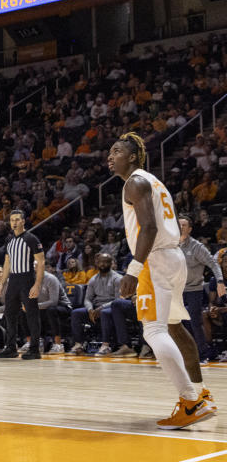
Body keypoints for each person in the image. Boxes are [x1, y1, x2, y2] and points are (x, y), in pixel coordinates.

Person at [109, 132, 216, 428]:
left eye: (116, 151)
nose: (110, 157)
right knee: (174, 328)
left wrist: (133, 269)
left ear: (132, 157)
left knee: (153, 332)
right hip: (173, 258)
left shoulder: (136, 182)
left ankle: (190, 402)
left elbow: (149, 227)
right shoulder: (154, 182)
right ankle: (203, 394)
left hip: (155, 260)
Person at [0, 210, 45, 360]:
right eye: (12, 220)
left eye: (17, 219)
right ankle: (11, 348)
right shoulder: (9, 240)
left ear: (23, 221)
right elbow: (7, 263)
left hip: (27, 279)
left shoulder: (31, 239)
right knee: (10, 315)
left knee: (31, 314)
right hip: (13, 281)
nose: (14, 222)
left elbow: (41, 263)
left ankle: (34, 349)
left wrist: (37, 285)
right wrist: (2, 284)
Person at [178, 214, 225, 362]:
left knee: (195, 322)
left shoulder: (197, 247)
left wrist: (219, 281)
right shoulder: (170, 245)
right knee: (172, 322)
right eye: (178, 225)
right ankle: (178, 353)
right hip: (175, 290)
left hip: (193, 289)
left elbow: (213, 264)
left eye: (183, 225)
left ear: (190, 229)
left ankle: (203, 354)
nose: (180, 227)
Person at [68, 253, 122, 355]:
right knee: (76, 313)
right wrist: (90, 309)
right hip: (96, 308)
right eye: (101, 262)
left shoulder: (117, 278)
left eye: (106, 262)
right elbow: (87, 299)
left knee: (105, 313)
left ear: (111, 264)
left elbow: (118, 300)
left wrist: (101, 308)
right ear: (97, 263)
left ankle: (106, 346)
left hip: (112, 308)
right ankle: (79, 344)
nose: (103, 264)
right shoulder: (93, 279)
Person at [37, 265, 71, 353]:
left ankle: (58, 344)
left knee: (51, 310)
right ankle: (35, 342)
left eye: (36, 266)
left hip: (63, 306)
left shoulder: (51, 279)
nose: (34, 268)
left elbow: (54, 301)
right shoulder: (30, 280)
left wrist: (36, 306)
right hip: (43, 307)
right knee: (24, 310)